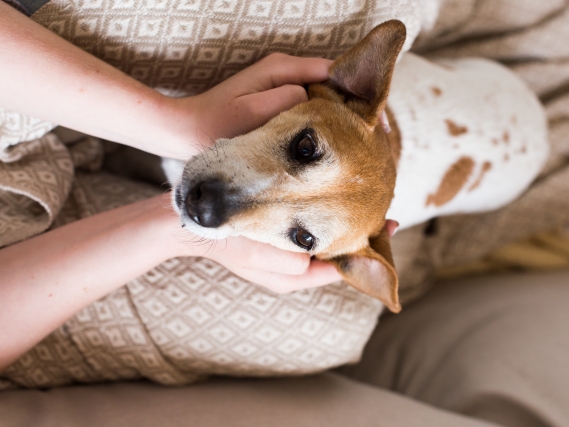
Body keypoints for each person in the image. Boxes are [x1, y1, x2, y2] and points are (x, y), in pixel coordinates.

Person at [0, 1, 399, 372]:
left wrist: (168, 228)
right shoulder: (345, 107)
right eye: (306, 149)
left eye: (302, 235)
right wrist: (175, 124)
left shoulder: (349, 242)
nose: (213, 208)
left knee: (338, 333)